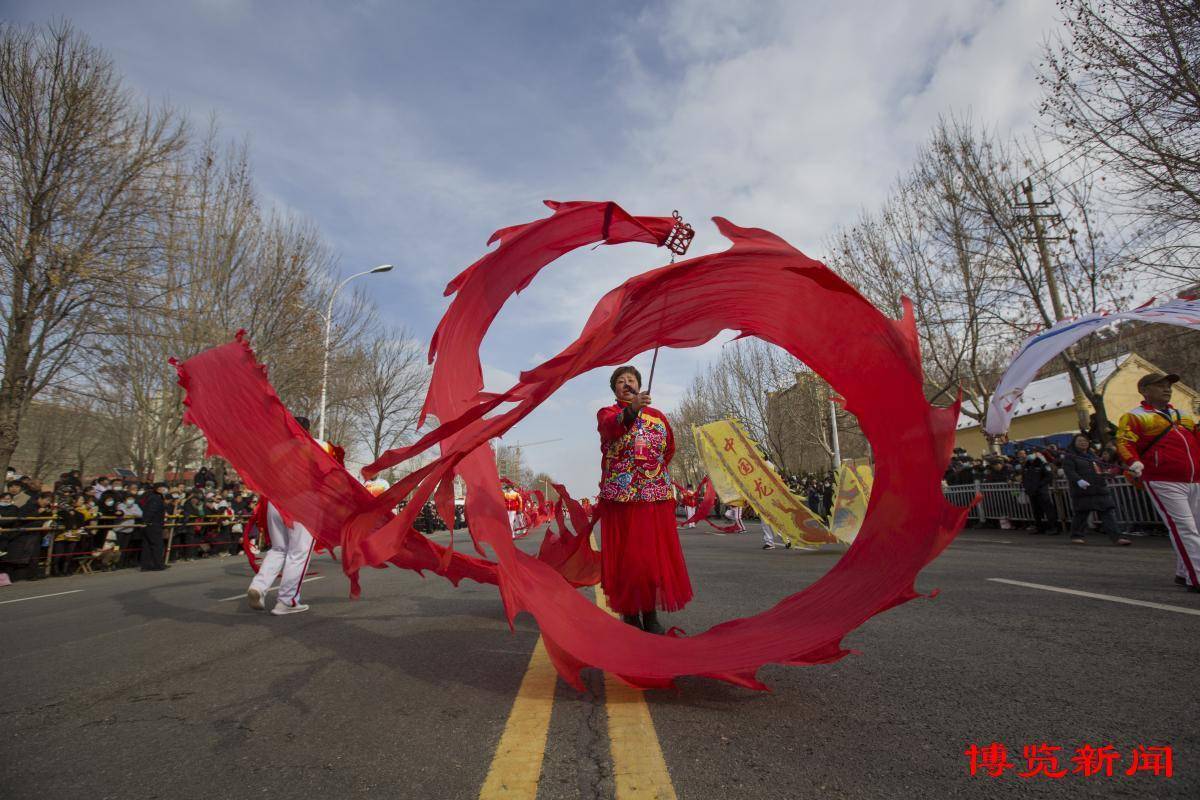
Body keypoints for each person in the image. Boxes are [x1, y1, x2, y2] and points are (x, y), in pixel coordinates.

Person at [596, 365, 692, 633]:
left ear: (640, 384)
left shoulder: (658, 417)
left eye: (631, 380)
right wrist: (632, 409)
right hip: (622, 500)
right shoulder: (609, 413)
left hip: (653, 499)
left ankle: (650, 614)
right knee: (628, 561)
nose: (627, 384)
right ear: (614, 389)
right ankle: (630, 613)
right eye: (620, 381)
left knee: (650, 561)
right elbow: (610, 430)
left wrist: (652, 474)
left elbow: (668, 448)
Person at [1116, 372, 1200, 591]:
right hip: (1163, 480)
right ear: (1144, 390)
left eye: (1169, 386)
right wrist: (1133, 462)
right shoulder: (1135, 416)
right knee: (1185, 528)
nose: (1167, 389)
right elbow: (1124, 442)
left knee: (1196, 529)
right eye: (1160, 385)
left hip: (1194, 479)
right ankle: (1197, 577)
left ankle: (1184, 573)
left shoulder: (1183, 415)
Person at [246, 415, 319, 616]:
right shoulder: (315, 447)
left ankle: (259, 587)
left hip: (275, 503)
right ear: (307, 430)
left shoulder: (275, 449)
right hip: (302, 502)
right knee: (299, 552)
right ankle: (287, 601)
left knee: (279, 549)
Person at [1061, 433, 1131, 546]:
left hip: (1099, 488)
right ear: (1074, 443)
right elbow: (1069, 471)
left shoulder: (1092, 455)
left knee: (1107, 513)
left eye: (1085, 441)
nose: (1083, 443)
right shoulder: (1070, 456)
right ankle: (1076, 535)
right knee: (1081, 514)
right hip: (1082, 490)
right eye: (1080, 441)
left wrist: (1106, 473)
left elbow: (1100, 468)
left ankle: (1117, 537)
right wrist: (1078, 480)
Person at [1021, 451, 1057, 535]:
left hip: (1042, 492)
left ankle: (1053, 527)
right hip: (1031, 492)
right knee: (1036, 511)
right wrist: (1026, 487)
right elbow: (1024, 478)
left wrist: (1039, 485)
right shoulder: (1026, 466)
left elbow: (1049, 476)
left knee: (1048, 510)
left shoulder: (1043, 465)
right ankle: (1040, 528)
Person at [138, 483, 168, 571]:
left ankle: (146, 565)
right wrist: (146, 521)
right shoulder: (156, 498)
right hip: (153, 524)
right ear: (158, 489)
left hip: (150, 524)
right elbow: (151, 510)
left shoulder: (152, 497)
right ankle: (158, 564)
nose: (164, 490)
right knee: (157, 545)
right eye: (163, 488)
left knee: (147, 545)